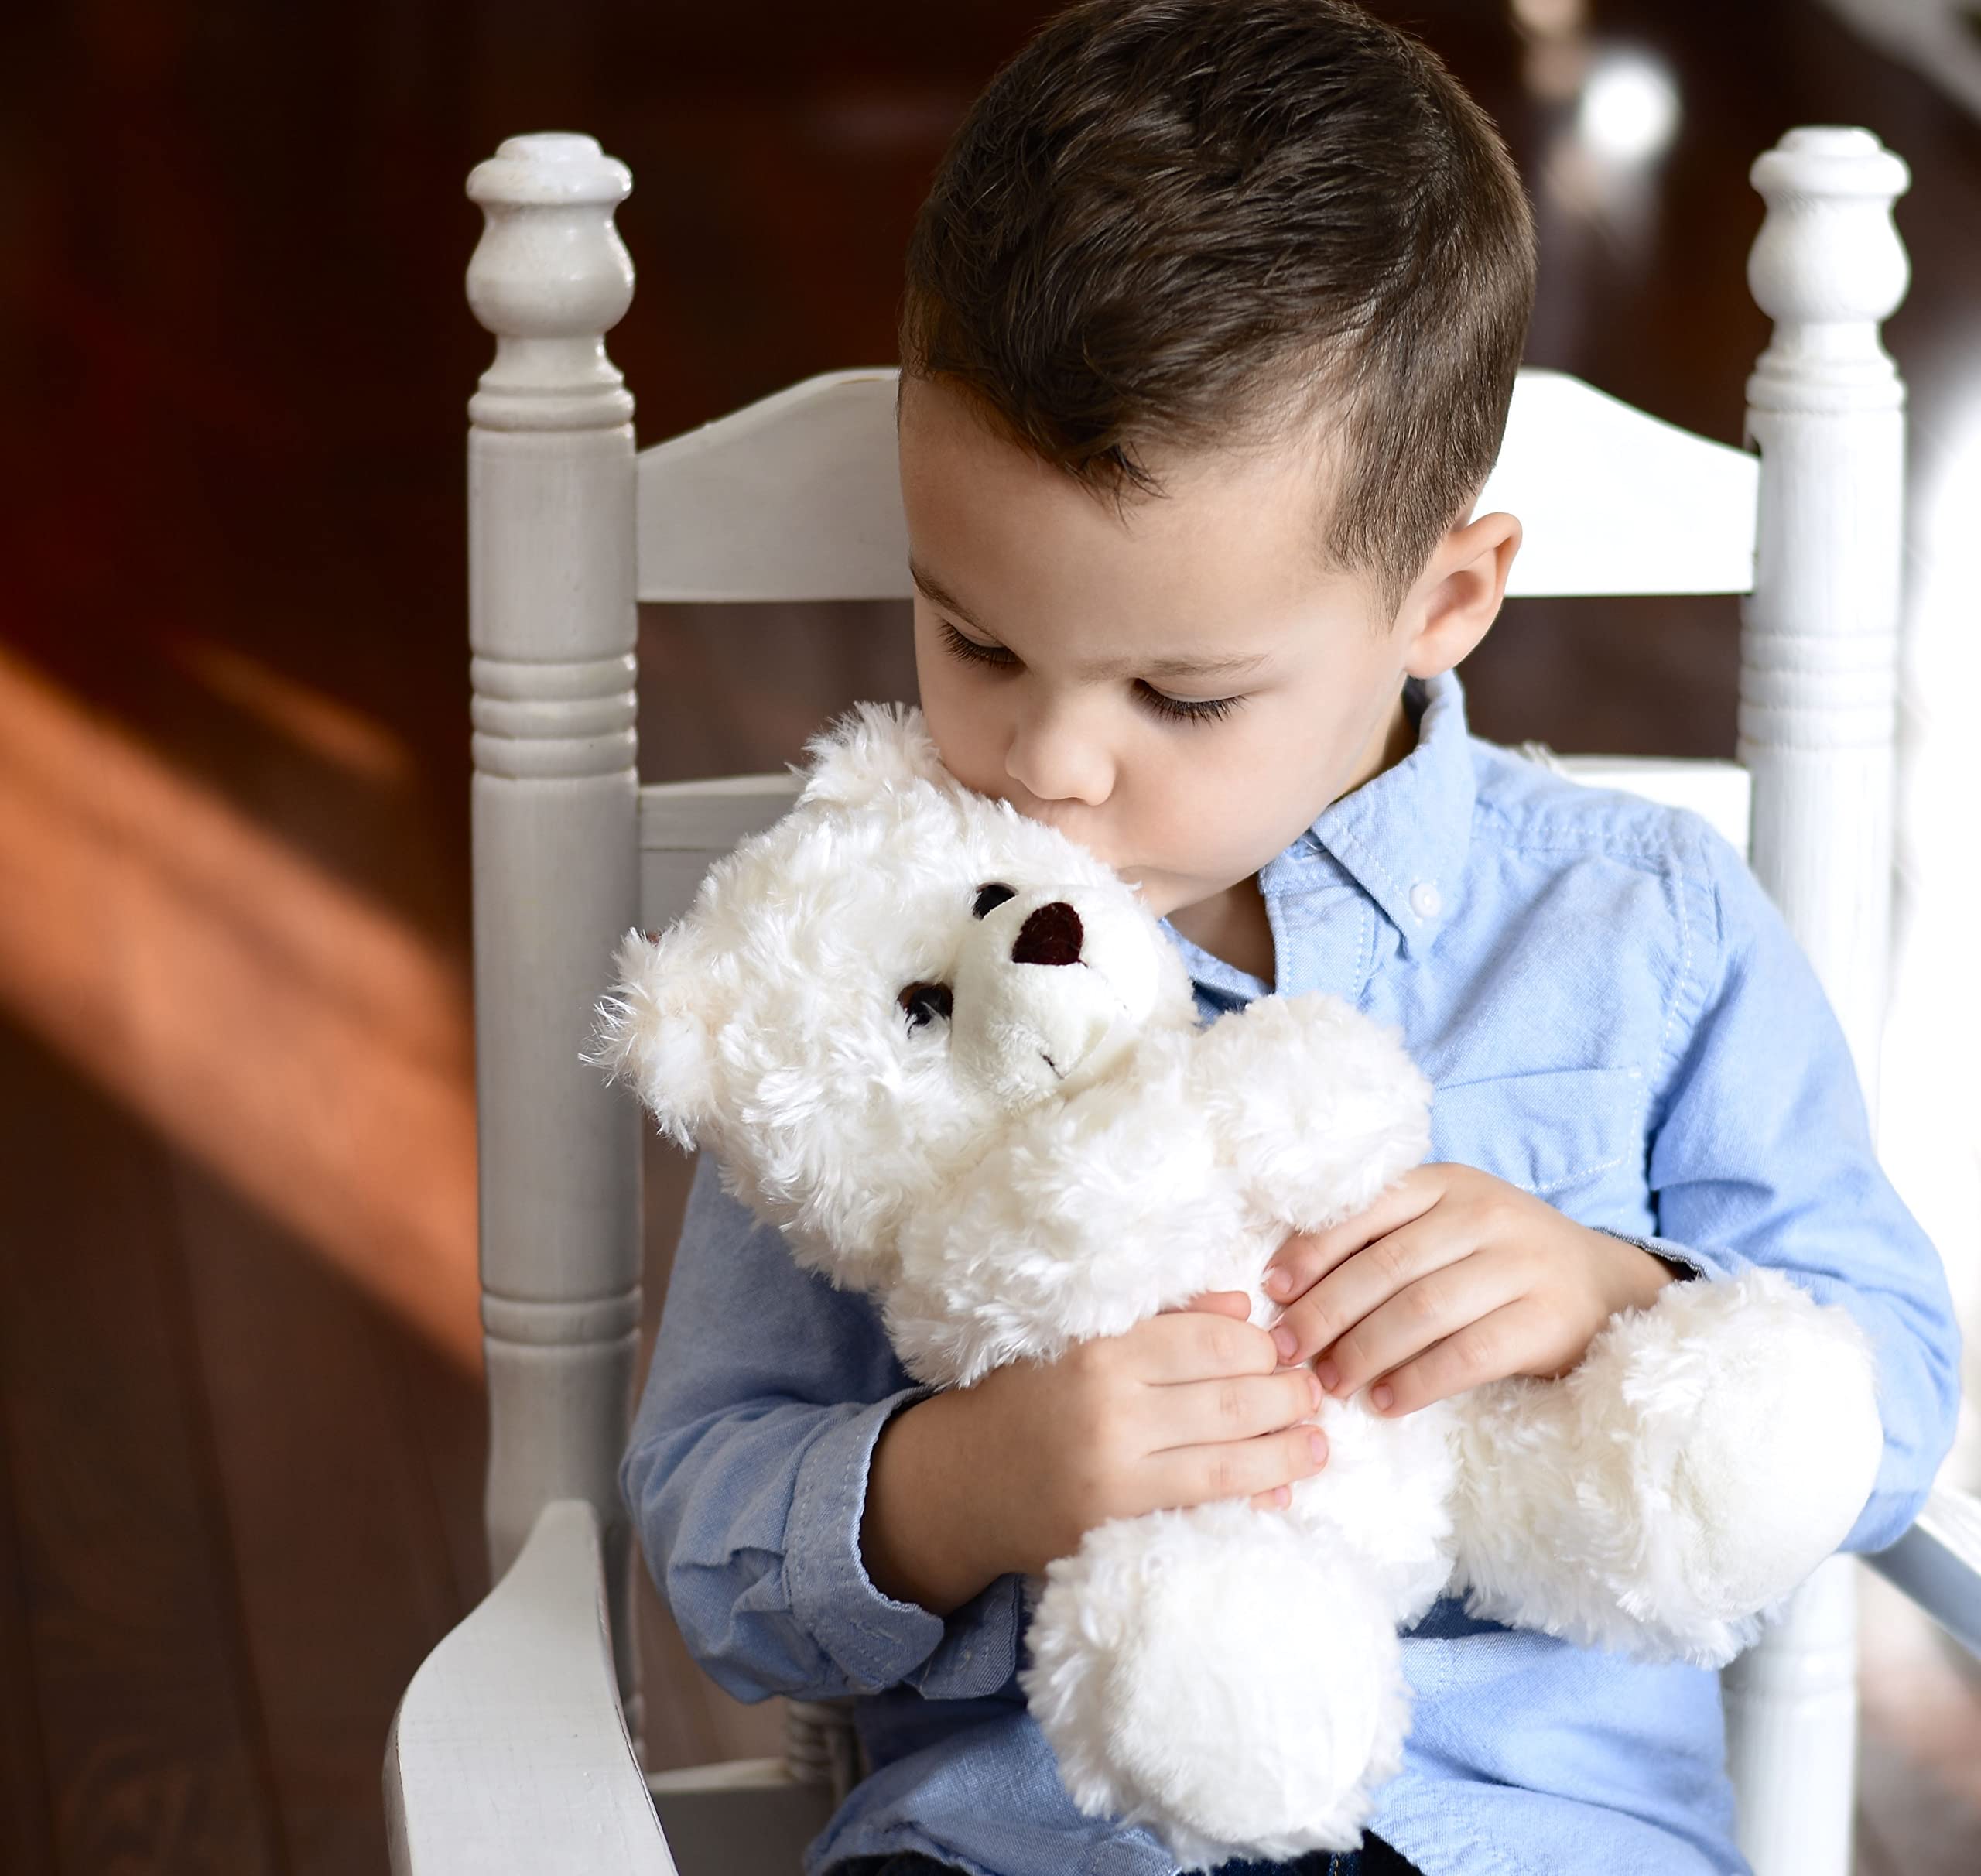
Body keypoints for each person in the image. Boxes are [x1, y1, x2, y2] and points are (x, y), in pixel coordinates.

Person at [619, 4, 1963, 1873]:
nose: (1050, 765)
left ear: (1446, 598)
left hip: (1535, 1837)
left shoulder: (1632, 930)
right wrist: (962, 1488)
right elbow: (702, 1525)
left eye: (1180, 691)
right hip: (1038, 1843)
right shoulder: (876, 971)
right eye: (974, 641)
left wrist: (1619, 1304)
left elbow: (1892, 1393)